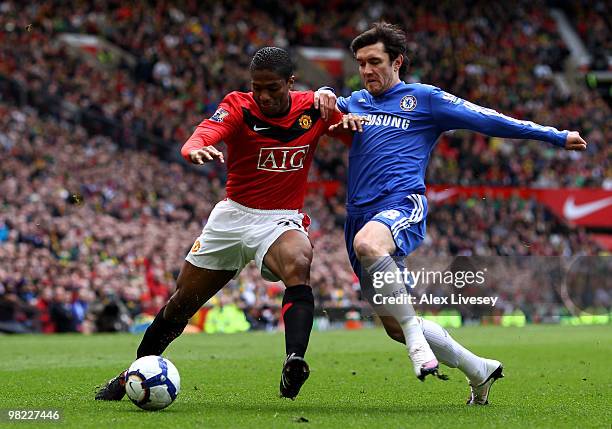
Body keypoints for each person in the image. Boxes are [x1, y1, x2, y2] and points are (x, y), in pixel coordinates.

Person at [324, 22, 587, 404]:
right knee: (394, 326)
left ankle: (418, 345)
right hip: (358, 215)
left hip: (401, 205)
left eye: (375, 62)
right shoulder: (357, 103)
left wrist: (553, 135)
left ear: (397, 62)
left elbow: (488, 118)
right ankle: (480, 370)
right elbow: (318, 111)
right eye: (361, 63)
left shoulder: (424, 99)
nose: (366, 71)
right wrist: (324, 94)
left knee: (370, 247)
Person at [95, 47, 342, 401]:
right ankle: (132, 374)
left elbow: (355, 122)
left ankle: (294, 360)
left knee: (299, 262)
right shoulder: (239, 105)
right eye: (258, 87)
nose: (264, 95)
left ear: (291, 82)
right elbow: (205, 132)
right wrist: (194, 148)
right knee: (181, 304)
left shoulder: (315, 108)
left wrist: (340, 106)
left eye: (272, 87)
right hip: (232, 217)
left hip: (278, 219)